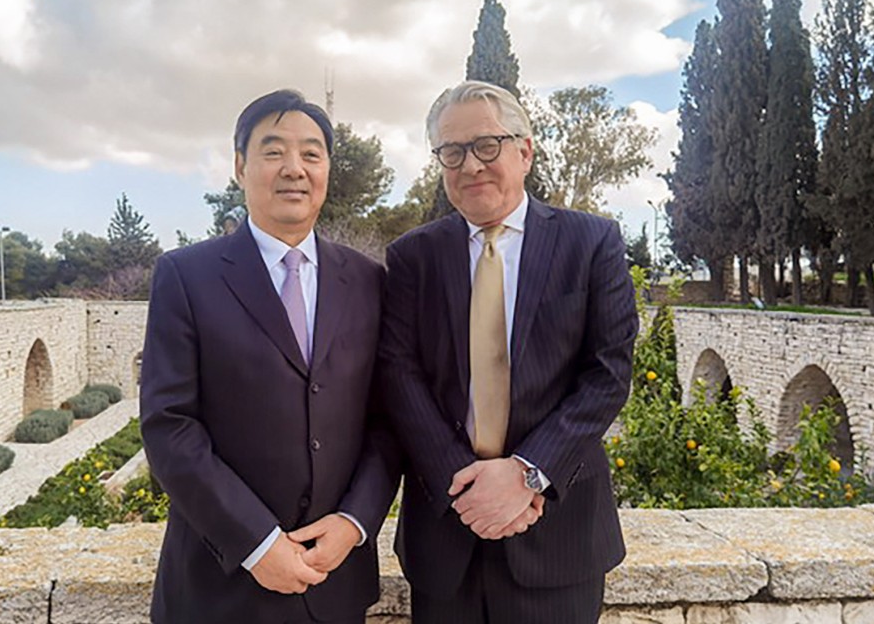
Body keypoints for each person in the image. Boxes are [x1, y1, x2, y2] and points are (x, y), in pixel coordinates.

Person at [379, 81, 638, 623]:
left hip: (558, 537)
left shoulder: (591, 243)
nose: (471, 164)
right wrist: (466, 487)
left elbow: (607, 374)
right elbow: (399, 376)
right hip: (446, 535)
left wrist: (526, 473)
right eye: (452, 151)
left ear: (525, 151)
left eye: (487, 145)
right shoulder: (412, 258)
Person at [140, 89, 400, 624]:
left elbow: (387, 420)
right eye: (273, 151)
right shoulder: (186, 276)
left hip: (334, 583)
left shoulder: (369, 281)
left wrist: (354, 521)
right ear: (240, 166)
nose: (294, 169)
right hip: (220, 586)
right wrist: (257, 544)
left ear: (327, 168)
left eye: (311, 153)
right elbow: (170, 426)